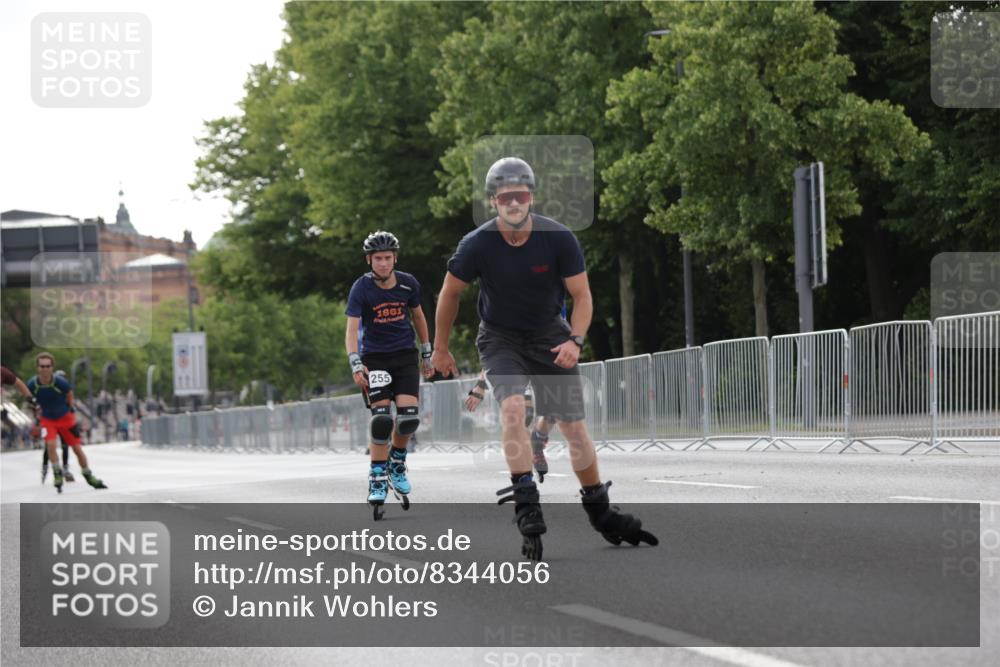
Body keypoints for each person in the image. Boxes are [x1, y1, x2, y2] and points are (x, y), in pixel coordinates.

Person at [433, 157, 657, 560]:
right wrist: (440, 347)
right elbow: (450, 294)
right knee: (513, 409)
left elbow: (582, 297)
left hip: (551, 336)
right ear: (494, 202)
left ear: (531, 197)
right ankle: (526, 501)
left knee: (572, 427)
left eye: (520, 196)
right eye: (505, 198)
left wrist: (575, 340)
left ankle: (600, 510)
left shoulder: (558, 238)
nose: (514, 203)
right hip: (500, 338)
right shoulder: (477, 244)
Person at [346, 231, 433, 518]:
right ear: (369, 260)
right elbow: (351, 330)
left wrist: (426, 352)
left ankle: (397, 462)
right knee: (382, 420)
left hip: (405, 357)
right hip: (375, 360)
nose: (383, 264)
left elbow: (418, 317)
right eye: (378, 259)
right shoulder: (361, 288)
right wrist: (356, 364)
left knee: (408, 418)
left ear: (395, 258)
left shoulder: (408, 284)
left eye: (387, 258)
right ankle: (377, 477)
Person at [26, 353, 106, 493]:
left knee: (76, 448)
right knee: (51, 445)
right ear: (37, 368)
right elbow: (29, 399)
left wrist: (70, 408)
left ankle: (88, 475)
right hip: (47, 419)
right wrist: (35, 413)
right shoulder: (33, 384)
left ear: (52, 367)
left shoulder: (60, 382)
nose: (45, 369)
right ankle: (57, 473)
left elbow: (69, 394)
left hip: (65, 418)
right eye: (42, 366)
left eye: (48, 366)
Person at [464, 370, 555, 481]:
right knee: (523, 418)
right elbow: (489, 358)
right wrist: (481, 385)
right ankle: (525, 474)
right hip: (514, 372)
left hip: (537, 366)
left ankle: (537, 441)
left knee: (554, 413)